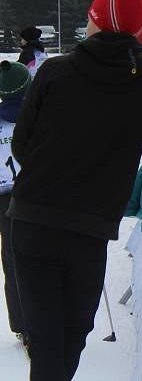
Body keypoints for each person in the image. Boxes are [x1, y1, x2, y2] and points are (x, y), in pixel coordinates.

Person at [7, 0, 142, 381]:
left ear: (95, 21)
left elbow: (23, 146)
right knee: (70, 336)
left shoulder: (55, 70)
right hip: (86, 229)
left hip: (34, 220)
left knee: (51, 342)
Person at [0, 61, 31, 349]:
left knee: (11, 261)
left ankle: (21, 323)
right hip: (33, 193)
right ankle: (39, 319)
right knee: (36, 257)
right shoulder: (38, 116)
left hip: (5, 198)